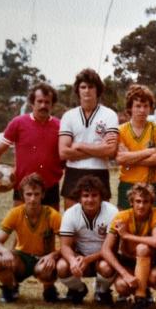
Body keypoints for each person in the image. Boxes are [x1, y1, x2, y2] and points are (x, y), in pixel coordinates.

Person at [0, 82, 63, 209]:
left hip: (50, 188)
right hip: (23, 187)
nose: (43, 105)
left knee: (51, 228)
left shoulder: (60, 126)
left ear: (52, 104)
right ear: (32, 103)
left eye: (47, 102)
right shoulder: (18, 123)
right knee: (22, 227)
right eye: (39, 101)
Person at [0, 173, 61, 303]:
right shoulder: (15, 213)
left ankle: (49, 288)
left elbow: (68, 245)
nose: (33, 199)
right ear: (22, 195)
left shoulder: (52, 215)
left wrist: (53, 255)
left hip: (43, 259)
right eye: (28, 194)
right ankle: (10, 288)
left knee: (47, 267)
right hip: (21, 258)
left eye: (36, 194)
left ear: (43, 195)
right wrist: (5, 252)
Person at [100, 182, 156, 309]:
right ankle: (142, 290)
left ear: (151, 203)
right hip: (128, 261)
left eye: (146, 202)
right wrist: (125, 274)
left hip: (150, 261)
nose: (141, 205)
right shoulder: (121, 216)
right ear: (131, 202)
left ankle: (140, 299)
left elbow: (155, 241)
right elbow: (105, 249)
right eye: (138, 201)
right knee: (122, 286)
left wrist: (127, 236)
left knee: (144, 252)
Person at [58, 68, 119, 209]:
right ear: (78, 90)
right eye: (83, 87)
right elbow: (63, 153)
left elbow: (110, 151)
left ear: (97, 90)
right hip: (73, 172)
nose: (87, 91)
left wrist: (78, 145)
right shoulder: (69, 116)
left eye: (91, 87)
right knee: (71, 219)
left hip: (99, 172)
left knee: (100, 223)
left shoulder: (109, 115)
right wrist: (99, 148)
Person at [56, 175, 119, 305]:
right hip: (79, 256)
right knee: (62, 266)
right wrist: (73, 261)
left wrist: (88, 259)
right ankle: (79, 290)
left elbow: (111, 247)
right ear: (79, 198)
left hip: (103, 257)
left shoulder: (112, 212)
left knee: (106, 267)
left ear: (101, 196)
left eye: (94, 195)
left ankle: (102, 291)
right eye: (85, 195)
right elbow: (65, 246)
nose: (90, 200)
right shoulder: (70, 213)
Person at [115, 85, 156, 209]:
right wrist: (150, 151)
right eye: (138, 106)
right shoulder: (120, 130)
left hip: (152, 185)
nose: (142, 110)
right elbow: (120, 159)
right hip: (127, 184)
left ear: (150, 108)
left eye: (146, 106)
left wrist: (131, 158)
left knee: (155, 225)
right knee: (126, 224)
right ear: (130, 108)